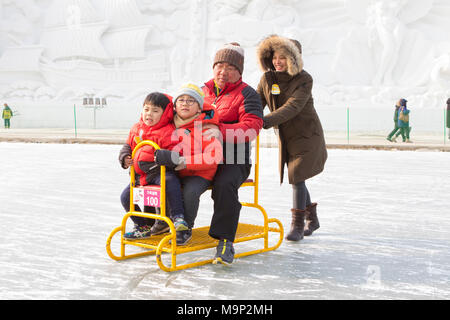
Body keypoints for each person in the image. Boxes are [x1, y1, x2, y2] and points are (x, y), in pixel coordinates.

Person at [256, 34, 327, 242]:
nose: (278, 62)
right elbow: (255, 103)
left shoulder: (304, 79)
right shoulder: (267, 79)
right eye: (276, 57)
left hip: (307, 136)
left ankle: (297, 225)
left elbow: (293, 107)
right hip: (287, 137)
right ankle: (312, 219)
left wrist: (264, 121)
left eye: (284, 57)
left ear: (294, 59)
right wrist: (245, 120)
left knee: (296, 176)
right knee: (299, 177)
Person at [202, 42, 263, 265]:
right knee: (168, 176)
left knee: (224, 185)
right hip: (202, 157)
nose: (223, 71)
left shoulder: (248, 94)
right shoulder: (201, 92)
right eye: (219, 65)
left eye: (229, 67)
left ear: (239, 71)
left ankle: (225, 241)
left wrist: (219, 131)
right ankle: (167, 226)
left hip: (233, 159)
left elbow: (251, 127)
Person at [155, 83, 223, 246]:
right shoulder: (168, 125)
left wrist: (186, 162)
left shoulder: (206, 127)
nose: (185, 103)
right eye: (181, 100)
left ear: (199, 109)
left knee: (189, 193)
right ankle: (163, 222)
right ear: (175, 106)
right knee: (164, 186)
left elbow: (214, 156)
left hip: (200, 173)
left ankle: (186, 228)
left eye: (191, 101)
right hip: (177, 172)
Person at [118, 92, 188, 240]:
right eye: (146, 109)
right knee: (125, 197)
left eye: (155, 111)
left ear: (165, 114)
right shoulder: (137, 128)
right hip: (139, 176)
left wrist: (165, 156)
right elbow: (127, 146)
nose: (149, 114)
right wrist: (124, 157)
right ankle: (143, 226)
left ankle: (178, 217)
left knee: (170, 182)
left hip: (159, 173)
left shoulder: (167, 131)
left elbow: (176, 153)